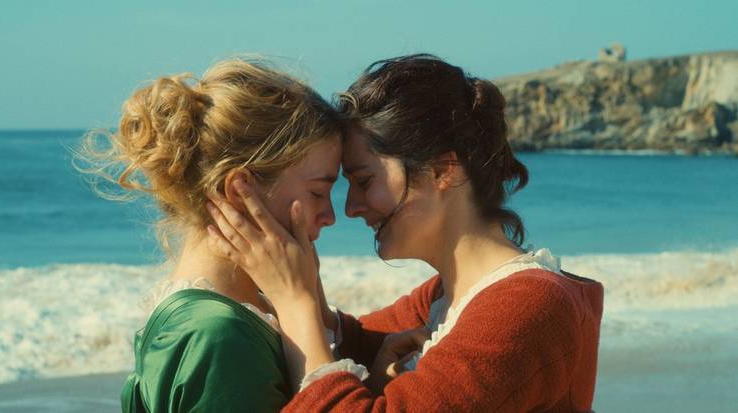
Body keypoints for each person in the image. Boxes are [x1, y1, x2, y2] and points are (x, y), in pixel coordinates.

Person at [205, 54, 604, 412]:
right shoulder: (440, 299)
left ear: (441, 171)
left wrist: (294, 300)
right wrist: (298, 278)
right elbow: (353, 343)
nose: (350, 207)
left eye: (364, 181)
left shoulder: (528, 305)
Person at [78, 58, 344, 412]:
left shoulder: (235, 315)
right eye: (317, 192)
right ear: (239, 191)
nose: (330, 216)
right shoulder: (219, 335)